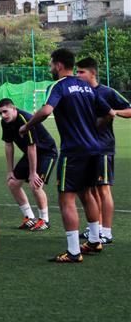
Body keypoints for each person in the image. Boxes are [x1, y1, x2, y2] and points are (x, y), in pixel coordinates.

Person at [20, 49, 122, 262]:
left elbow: (47, 110)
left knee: (66, 199)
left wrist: (27, 126)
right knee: (87, 194)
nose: (50, 68)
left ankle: (74, 252)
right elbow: (109, 113)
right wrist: (93, 130)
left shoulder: (58, 86)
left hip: (74, 151)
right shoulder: (86, 86)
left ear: (58, 65)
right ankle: (95, 241)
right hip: (95, 149)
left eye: (50, 64)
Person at [75, 57, 131, 245]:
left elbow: (129, 110)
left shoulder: (107, 92)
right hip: (86, 148)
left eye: (81, 72)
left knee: (104, 189)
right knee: (90, 189)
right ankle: (95, 229)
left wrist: (114, 112)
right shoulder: (80, 93)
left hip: (103, 147)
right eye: (77, 71)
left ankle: (107, 232)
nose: (78, 75)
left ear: (93, 73)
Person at [0, 97, 58, 231]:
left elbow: (32, 146)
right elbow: (8, 145)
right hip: (31, 153)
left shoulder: (25, 119)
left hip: (46, 152)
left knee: (35, 185)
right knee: (13, 183)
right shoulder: (5, 122)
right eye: (0, 113)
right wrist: (10, 171)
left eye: (5, 111)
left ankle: (44, 220)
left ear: (14, 108)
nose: (3, 115)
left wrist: (32, 173)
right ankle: (29, 217)